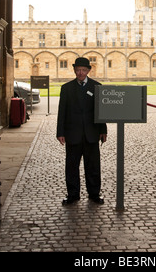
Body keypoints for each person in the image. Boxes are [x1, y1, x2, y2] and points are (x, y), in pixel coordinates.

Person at [56, 57, 107, 205]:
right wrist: (60, 132)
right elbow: (62, 112)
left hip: (92, 134)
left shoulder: (97, 86)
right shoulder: (66, 88)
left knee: (93, 166)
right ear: (74, 70)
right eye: (78, 70)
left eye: (83, 70)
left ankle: (94, 194)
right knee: (72, 167)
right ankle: (73, 195)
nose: (80, 73)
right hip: (73, 134)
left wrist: (103, 130)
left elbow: (101, 112)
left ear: (88, 71)